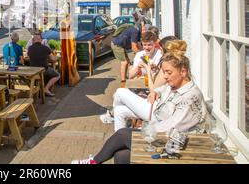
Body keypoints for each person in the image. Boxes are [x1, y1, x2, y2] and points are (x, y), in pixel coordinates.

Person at [73, 40, 208, 164]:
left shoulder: (190, 97)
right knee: (121, 155)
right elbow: (161, 90)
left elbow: (171, 126)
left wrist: (144, 129)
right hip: (167, 138)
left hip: (177, 146)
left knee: (122, 134)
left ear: (183, 72)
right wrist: (156, 92)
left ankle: (93, 162)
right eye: (164, 72)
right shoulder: (175, 86)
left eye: (168, 72)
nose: (165, 76)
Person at [111, 17, 149, 83]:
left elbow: (139, 44)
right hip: (117, 44)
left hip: (121, 45)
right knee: (125, 62)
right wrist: (143, 56)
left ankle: (126, 78)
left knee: (127, 61)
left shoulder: (137, 31)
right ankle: (123, 81)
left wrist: (144, 52)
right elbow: (134, 47)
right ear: (140, 25)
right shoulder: (135, 31)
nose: (144, 30)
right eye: (144, 28)